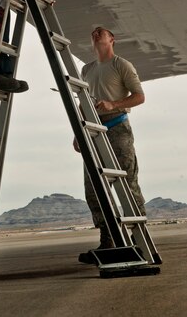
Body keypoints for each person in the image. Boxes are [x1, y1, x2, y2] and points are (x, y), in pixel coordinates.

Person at [74, 26, 146, 263]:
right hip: (93, 132)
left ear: (112, 39)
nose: (95, 33)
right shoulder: (87, 69)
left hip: (117, 128)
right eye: (93, 31)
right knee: (93, 187)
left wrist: (113, 104)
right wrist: (78, 131)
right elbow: (83, 103)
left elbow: (139, 96)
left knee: (127, 182)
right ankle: (109, 240)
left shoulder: (121, 65)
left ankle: (140, 241)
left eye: (101, 31)